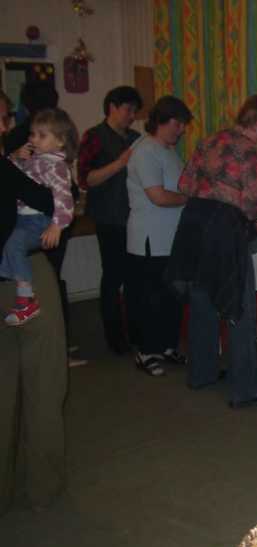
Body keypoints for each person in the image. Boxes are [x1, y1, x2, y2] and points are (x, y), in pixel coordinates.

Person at [170, 95, 257, 408]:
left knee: (202, 300)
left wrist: (213, 193)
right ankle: (246, 389)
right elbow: (249, 203)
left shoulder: (208, 141)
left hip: (193, 224)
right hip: (224, 231)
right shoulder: (252, 151)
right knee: (239, 307)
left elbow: (184, 185)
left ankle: (201, 373)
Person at [0, 90, 68, 515]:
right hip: (22, 272)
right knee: (43, 384)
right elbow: (47, 201)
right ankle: (43, 487)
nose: (8, 127)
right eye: (3, 118)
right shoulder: (13, 167)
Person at [126, 95, 192, 377]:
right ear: (163, 121)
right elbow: (159, 197)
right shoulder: (144, 151)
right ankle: (145, 351)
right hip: (149, 239)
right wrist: (191, 200)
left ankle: (166, 346)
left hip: (172, 237)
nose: (182, 130)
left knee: (171, 296)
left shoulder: (169, 150)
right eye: (179, 124)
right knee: (150, 298)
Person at [77, 85, 142, 354]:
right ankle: (115, 338)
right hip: (109, 218)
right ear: (112, 107)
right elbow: (86, 179)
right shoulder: (94, 137)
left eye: (135, 111)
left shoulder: (136, 138)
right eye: (128, 110)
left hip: (136, 217)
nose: (132, 116)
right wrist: (119, 163)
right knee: (113, 277)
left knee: (135, 277)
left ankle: (137, 332)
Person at [0, 108, 78, 325]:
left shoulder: (56, 166)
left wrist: (56, 225)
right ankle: (19, 286)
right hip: (24, 218)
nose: (34, 139)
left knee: (14, 243)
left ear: (60, 141)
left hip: (37, 221)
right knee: (9, 247)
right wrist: (15, 158)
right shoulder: (37, 159)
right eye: (33, 134)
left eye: (42, 136)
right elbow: (15, 178)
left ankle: (27, 300)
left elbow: (65, 199)